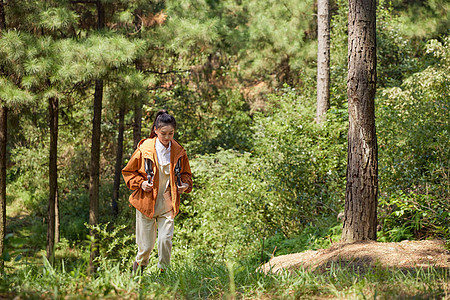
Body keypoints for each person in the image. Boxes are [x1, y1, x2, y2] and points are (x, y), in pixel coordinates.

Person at [122, 109, 192, 274]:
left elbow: (186, 175)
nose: (167, 138)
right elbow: (128, 172)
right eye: (163, 134)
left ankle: (164, 275)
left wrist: (185, 186)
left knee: (165, 240)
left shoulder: (179, 151)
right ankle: (136, 277)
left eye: (171, 133)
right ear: (155, 130)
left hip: (168, 202)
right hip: (146, 203)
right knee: (145, 248)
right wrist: (141, 183)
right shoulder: (144, 149)